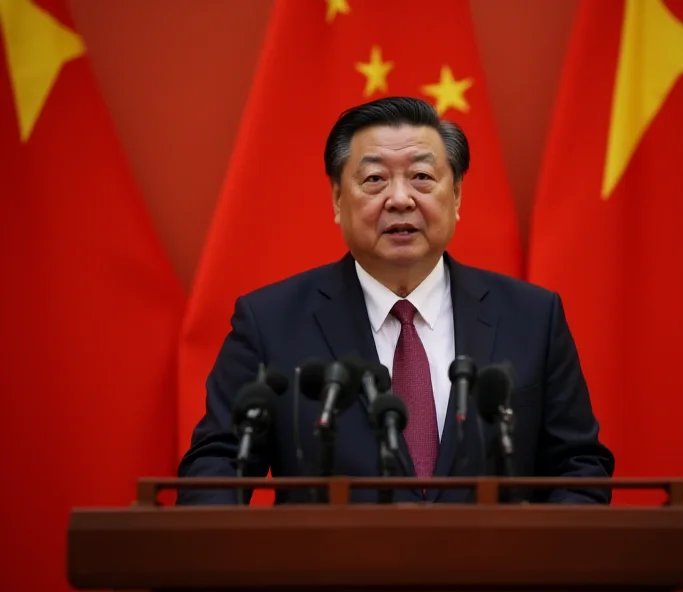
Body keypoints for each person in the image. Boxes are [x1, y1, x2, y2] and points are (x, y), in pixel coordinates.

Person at [176, 96, 614, 505]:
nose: (401, 199)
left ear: (456, 195)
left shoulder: (533, 317)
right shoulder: (270, 323)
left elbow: (579, 467)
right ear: (336, 198)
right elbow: (216, 469)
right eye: (374, 179)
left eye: (422, 177)